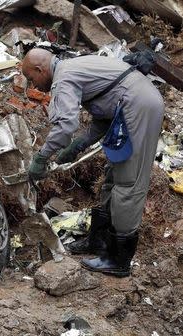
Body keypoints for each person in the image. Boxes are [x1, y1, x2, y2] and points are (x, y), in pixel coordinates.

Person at [21, 48, 164, 277]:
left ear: (41, 69)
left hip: (140, 107)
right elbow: (102, 117)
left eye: (31, 79)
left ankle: (118, 260)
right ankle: (98, 242)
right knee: (112, 179)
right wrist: (76, 146)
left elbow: (65, 125)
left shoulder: (63, 78)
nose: (33, 86)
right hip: (129, 106)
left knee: (128, 184)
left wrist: (42, 157)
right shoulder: (72, 68)